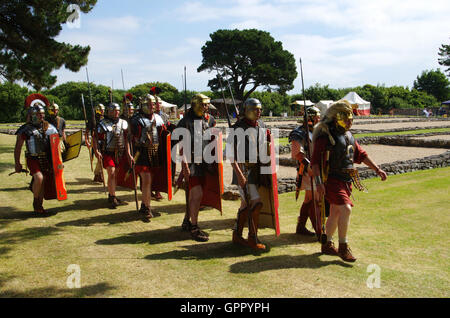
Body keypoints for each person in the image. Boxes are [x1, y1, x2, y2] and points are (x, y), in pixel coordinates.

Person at [311, 100, 387, 262]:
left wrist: (377, 169)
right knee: (345, 209)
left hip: (346, 180)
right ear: (336, 117)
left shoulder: (348, 135)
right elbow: (315, 162)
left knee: (335, 213)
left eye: (350, 118)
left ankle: (327, 244)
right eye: (346, 118)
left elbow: (361, 154)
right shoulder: (325, 136)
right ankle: (343, 247)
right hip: (331, 179)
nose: (349, 121)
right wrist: (318, 182)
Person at [176, 93, 220, 242]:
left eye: (207, 104)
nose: (206, 107)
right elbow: (181, 145)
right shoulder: (185, 122)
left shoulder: (209, 120)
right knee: (196, 194)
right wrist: (185, 165)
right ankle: (194, 227)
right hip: (192, 162)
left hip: (205, 162)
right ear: (196, 105)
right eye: (204, 104)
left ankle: (187, 220)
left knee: (194, 194)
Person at [230, 98, 271, 250]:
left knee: (246, 204)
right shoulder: (237, 128)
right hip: (244, 171)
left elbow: (267, 146)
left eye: (260, 109)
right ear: (247, 110)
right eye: (255, 109)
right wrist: (240, 174)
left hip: (257, 171)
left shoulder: (261, 125)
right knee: (256, 202)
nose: (259, 112)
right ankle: (252, 238)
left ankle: (237, 235)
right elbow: (231, 155)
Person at [14, 94, 60, 214]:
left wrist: (59, 160)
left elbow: (56, 145)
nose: (42, 116)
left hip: (46, 159)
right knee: (39, 178)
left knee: (43, 181)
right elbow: (18, 147)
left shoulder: (50, 128)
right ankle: (36, 201)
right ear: (32, 115)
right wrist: (17, 163)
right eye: (39, 114)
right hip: (32, 158)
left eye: (43, 114)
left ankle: (39, 206)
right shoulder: (25, 129)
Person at [130, 94, 167, 219]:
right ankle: (147, 208)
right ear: (144, 105)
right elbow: (131, 139)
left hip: (155, 153)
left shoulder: (158, 118)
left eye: (153, 104)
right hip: (142, 153)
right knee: (146, 180)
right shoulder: (136, 120)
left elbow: (164, 133)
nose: (152, 107)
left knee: (150, 181)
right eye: (150, 105)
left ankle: (144, 204)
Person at [288, 106, 321, 237]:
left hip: (317, 170)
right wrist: (309, 167)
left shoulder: (318, 131)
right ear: (311, 117)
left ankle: (301, 227)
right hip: (307, 170)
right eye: (317, 117)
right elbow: (297, 154)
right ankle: (319, 230)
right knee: (313, 198)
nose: (319, 119)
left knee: (309, 198)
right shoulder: (299, 133)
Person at [93, 102, 133, 208]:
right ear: (109, 111)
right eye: (114, 111)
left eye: (118, 111)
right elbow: (96, 138)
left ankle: (113, 194)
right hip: (108, 152)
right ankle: (112, 196)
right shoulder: (102, 123)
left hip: (120, 152)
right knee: (111, 172)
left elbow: (127, 140)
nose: (117, 113)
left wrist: (128, 154)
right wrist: (96, 150)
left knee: (115, 175)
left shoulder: (123, 123)